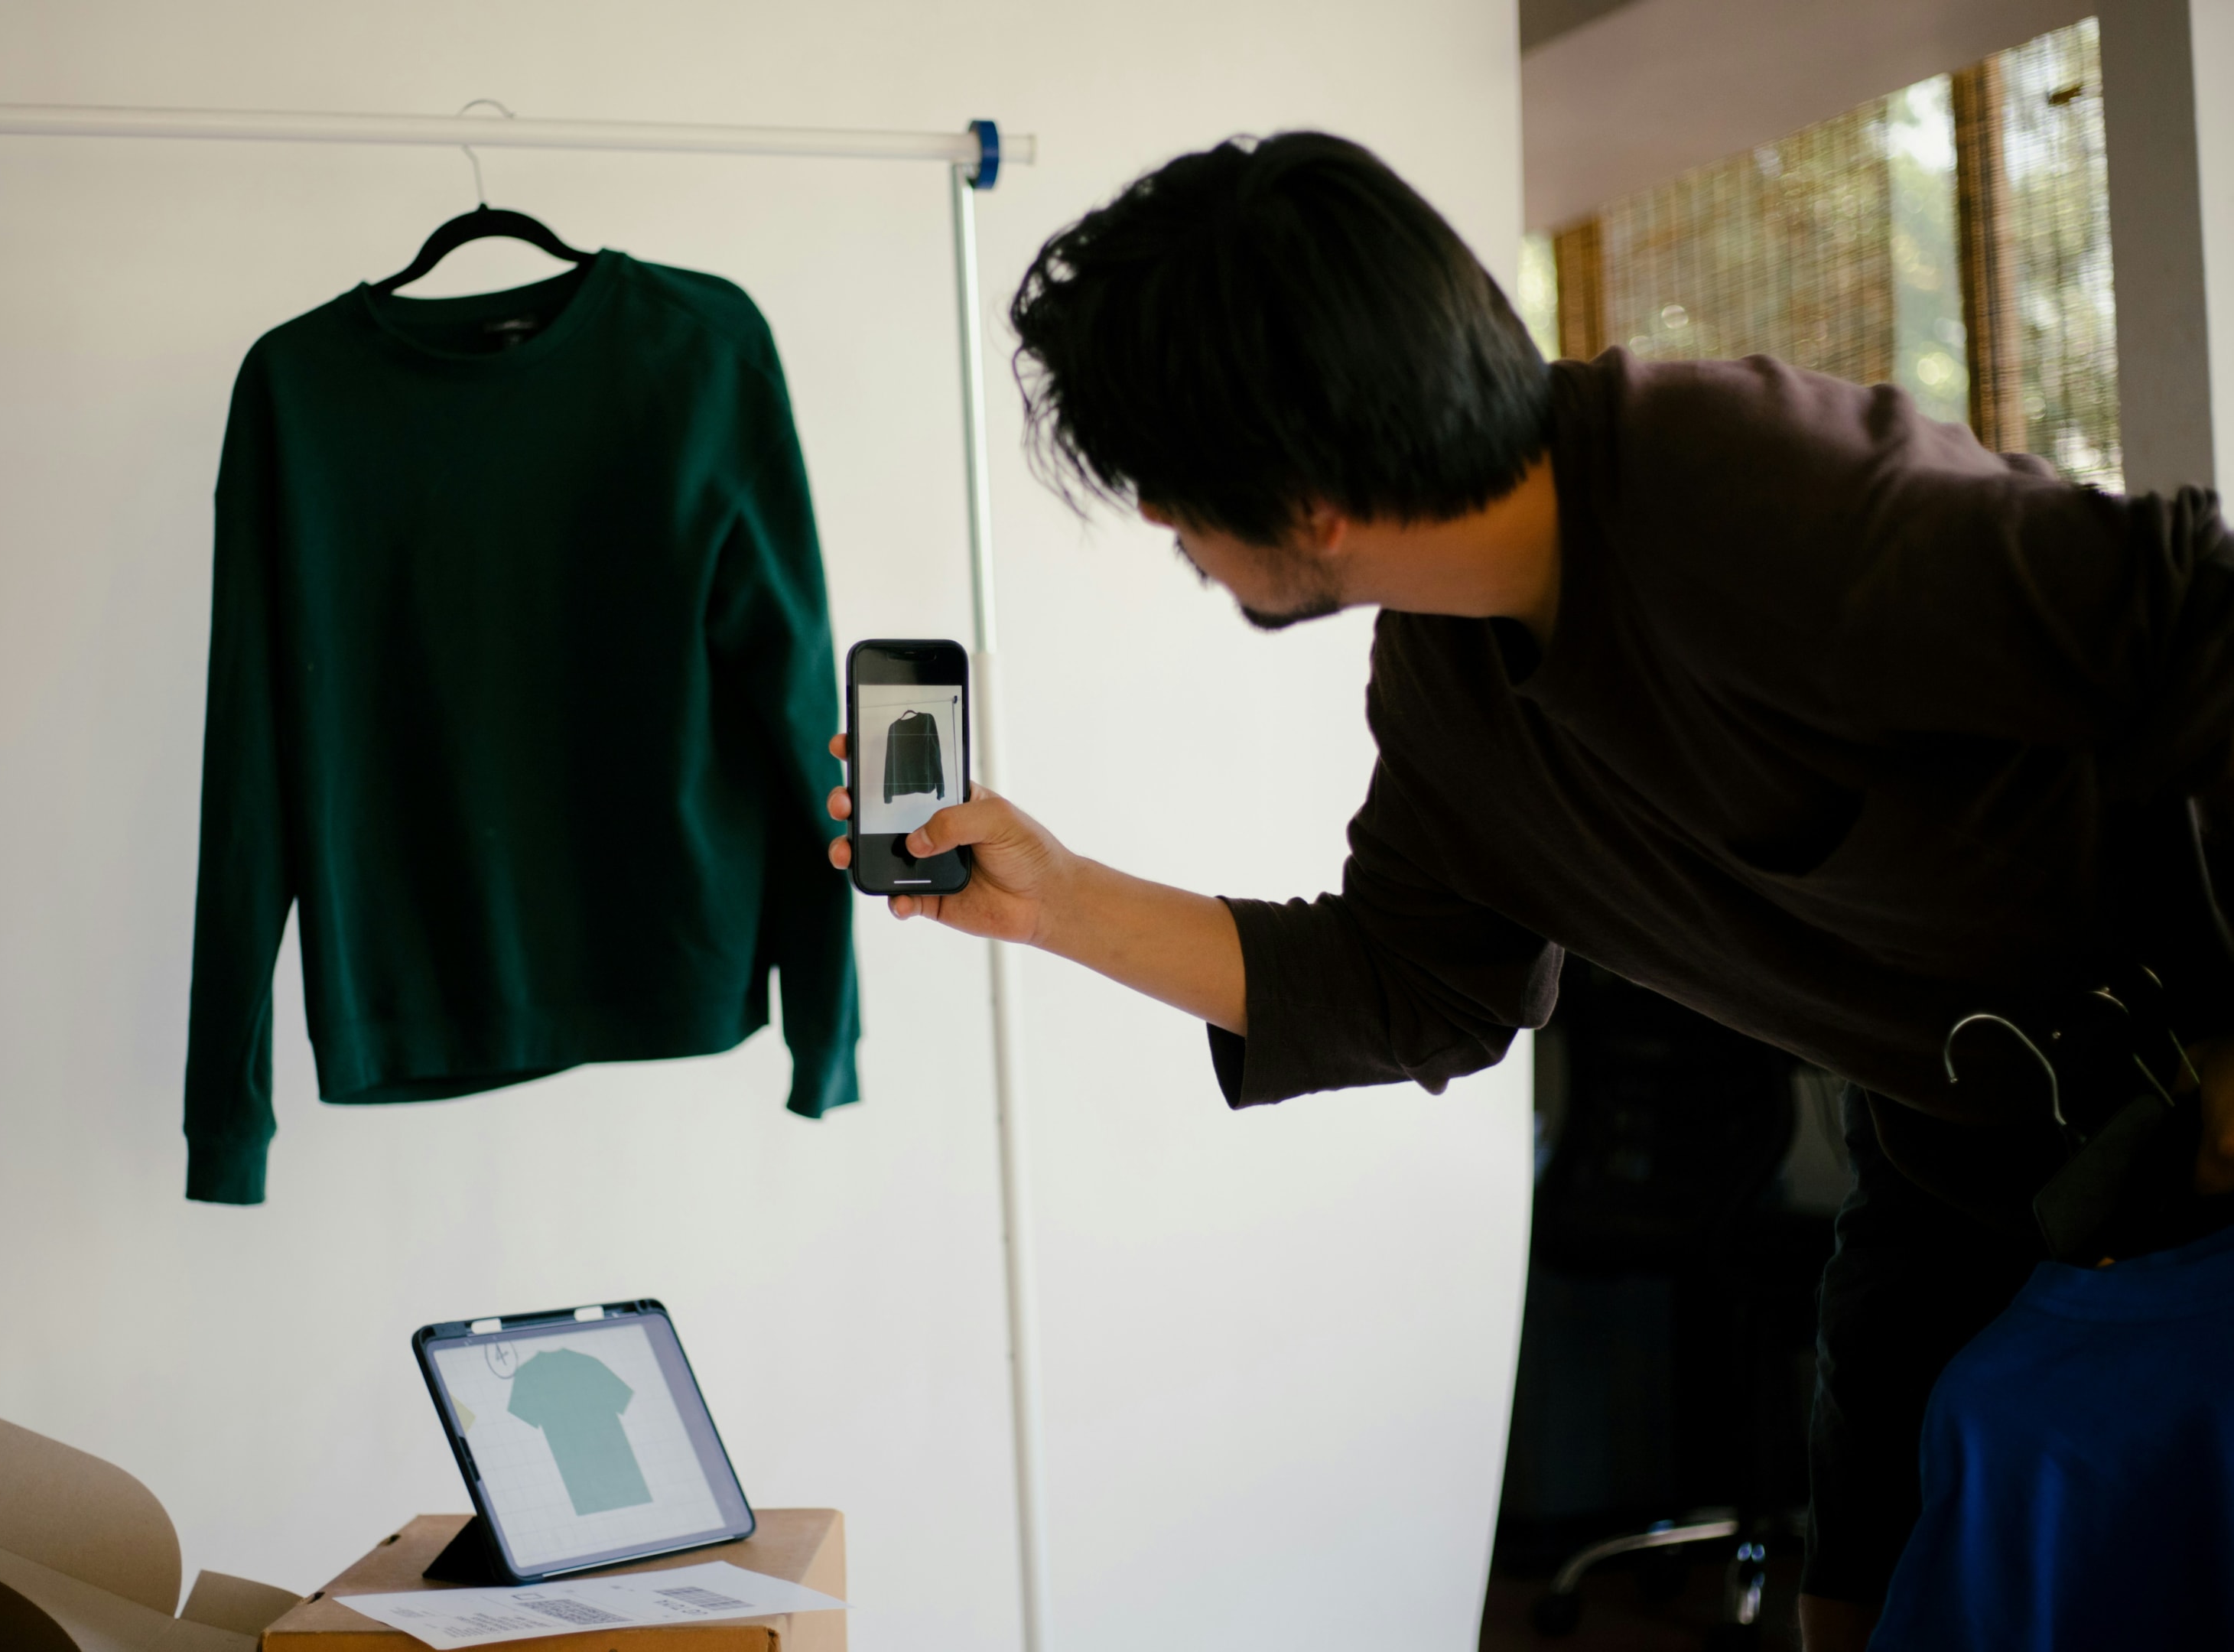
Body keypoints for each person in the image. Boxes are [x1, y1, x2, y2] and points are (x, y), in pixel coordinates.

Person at [824, 132, 2234, 1646]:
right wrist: (1058, 898)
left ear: (1307, 498)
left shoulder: (1741, 478)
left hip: (2190, 1125)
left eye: (1172, 494)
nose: (1166, 528)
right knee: (1853, 1612)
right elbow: (1419, 987)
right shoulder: (1442, 683)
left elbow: (2198, 617)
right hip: (1963, 1167)